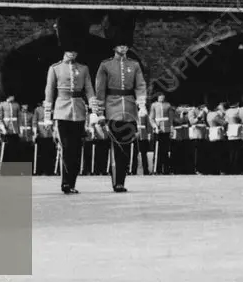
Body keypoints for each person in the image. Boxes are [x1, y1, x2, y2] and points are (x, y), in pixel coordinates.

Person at [44, 16, 98, 194]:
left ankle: (72, 183)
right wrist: (47, 116)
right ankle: (65, 183)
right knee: (66, 148)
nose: (73, 53)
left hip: (79, 112)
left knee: (76, 150)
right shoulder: (55, 68)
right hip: (61, 112)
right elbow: (49, 93)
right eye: (70, 50)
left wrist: (94, 110)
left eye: (75, 51)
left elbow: (89, 90)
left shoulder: (83, 69)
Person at [94, 15, 147, 193]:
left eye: (125, 45)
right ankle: (117, 182)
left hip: (130, 109)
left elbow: (140, 86)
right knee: (117, 146)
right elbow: (100, 90)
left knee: (125, 147)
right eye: (120, 45)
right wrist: (99, 112)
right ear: (115, 47)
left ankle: (121, 180)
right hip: (112, 108)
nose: (123, 48)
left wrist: (142, 104)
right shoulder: (105, 65)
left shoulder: (135, 65)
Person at [150, 93, 174, 174]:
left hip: (166, 130)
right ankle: (157, 169)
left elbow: (170, 118)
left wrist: (171, 128)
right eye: (160, 96)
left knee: (165, 150)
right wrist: (155, 127)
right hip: (157, 130)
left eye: (163, 96)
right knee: (157, 151)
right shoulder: (154, 105)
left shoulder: (168, 105)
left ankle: (166, 169)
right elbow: (152, 118)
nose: (162, 98)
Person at [0, 93, 21, 172]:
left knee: (14, 150)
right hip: (6, 130)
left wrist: (20, 130)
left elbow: (19, 118)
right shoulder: (2, 104)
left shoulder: (16, 105)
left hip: (15, 130)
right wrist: (3, 128)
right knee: (4, 150)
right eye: (12, 96)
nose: (13, 97)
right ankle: (1, 169)